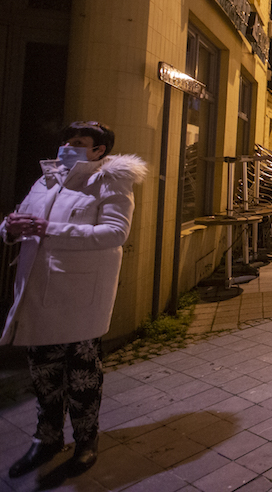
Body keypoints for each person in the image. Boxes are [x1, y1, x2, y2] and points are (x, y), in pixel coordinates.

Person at [2, 121, 147, 478]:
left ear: (99, 151)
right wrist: (9, 229)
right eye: (66, 140)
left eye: (78, 142)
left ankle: (86, 442)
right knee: (44, 374)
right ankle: (46, 438)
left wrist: (48, 229)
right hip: (37, 292)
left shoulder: (110, 181)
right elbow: (23, 219)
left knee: (82, 378)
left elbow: (115, 233)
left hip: (78, 297)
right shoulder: (47, 177)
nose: (68, 146)